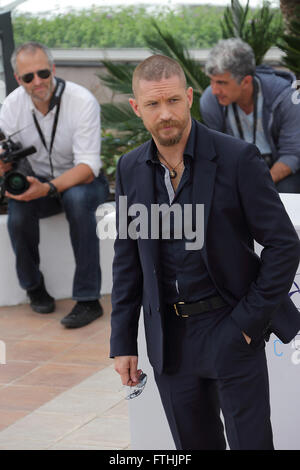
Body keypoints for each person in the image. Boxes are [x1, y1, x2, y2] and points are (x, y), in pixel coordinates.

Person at [110, 54, 300, 450]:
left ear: (190, 97)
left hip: (229, 326)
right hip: (169, 340)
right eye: (153, 104)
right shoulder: (130, 169)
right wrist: (123, 342)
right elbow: (127, 262)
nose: (166, 114)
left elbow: (283, 244)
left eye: (174, 101)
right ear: (136, 108)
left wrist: (247, 324)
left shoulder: (237, 158)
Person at [0, 42, 109, 328]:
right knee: (18, 213)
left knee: (76, 199)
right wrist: (5, 165)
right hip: (38, 180)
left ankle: (88, 299)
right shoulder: (11, 106)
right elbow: (13, 160)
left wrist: (48, 189)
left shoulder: (82, 100)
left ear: (54, 70)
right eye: (28, 77)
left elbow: (87, 167)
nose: (37, 82)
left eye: (43, 73)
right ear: (17, 79)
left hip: (82, 180)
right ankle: (34, 287)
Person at [200, 38, 300, 194]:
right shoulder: (210, 101)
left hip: (279, 168)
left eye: (221, 83)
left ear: (246, 81)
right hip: (237, 169)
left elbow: (292, 154)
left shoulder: (286, 98)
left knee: (286, 192)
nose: (214, 90)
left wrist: (260, 183)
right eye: (211, 82)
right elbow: (216, 152)